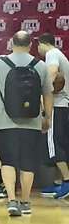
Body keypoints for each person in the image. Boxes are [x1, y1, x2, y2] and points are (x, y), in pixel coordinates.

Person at [0, 31, 53, 216]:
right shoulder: (41, 66)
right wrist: (47, 117)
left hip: (5, 123)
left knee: (8, 162)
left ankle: (12, 201)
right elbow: (48, 94)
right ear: (30, 45)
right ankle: (26, 202)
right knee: (28, 163)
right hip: (32, 123)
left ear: (11, 44)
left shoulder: (0, 63)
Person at [36, 33, 69, 199]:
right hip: (64, 106)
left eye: (38, 46)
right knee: (60, 143)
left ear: (43, 44)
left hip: (57, 105)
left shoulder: (52, 54)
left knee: (54, 144)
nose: (38, 49)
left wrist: (43, 93)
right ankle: (59, 182)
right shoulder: (60, 54)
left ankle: (67, 182)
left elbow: (53, 72)